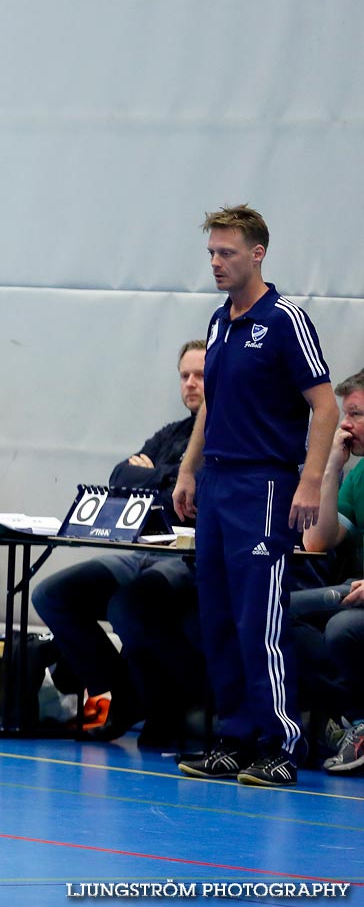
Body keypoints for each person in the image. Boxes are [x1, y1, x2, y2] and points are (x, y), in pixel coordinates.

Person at [173, 204, 337, 787]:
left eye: (227, 253)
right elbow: (211, 404)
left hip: (264, 484)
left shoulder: (286, 317)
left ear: (257, 253)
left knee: (257, 619)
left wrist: (309, 480)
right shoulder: (219, 322)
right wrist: (189, 470)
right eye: (212, 253)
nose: (216, 263)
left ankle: (281, 742)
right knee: (216, 614)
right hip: (216, 483)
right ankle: (234, 737)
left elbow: (324, 405)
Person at [29, 340, 209, 745]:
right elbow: (118, 481)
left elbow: (194, 497)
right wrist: (166, 477)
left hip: (191, 555)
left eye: (201, 375)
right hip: (145, 549)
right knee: (53, 594)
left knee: (128, 605)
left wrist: (150, 477)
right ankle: (121, 694)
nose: (191, 384)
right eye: (185, 376)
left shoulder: (228, 433)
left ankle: (168, 703)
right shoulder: (171, 433)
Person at [297, 369, 364, 773]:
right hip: (352, 591)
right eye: (344, 413)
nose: (345, 424)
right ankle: (352, 719)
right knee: (274, 610)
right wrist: (330, 469)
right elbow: (316, 542)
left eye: (354, 414)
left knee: (343, 629)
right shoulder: (357, 476)